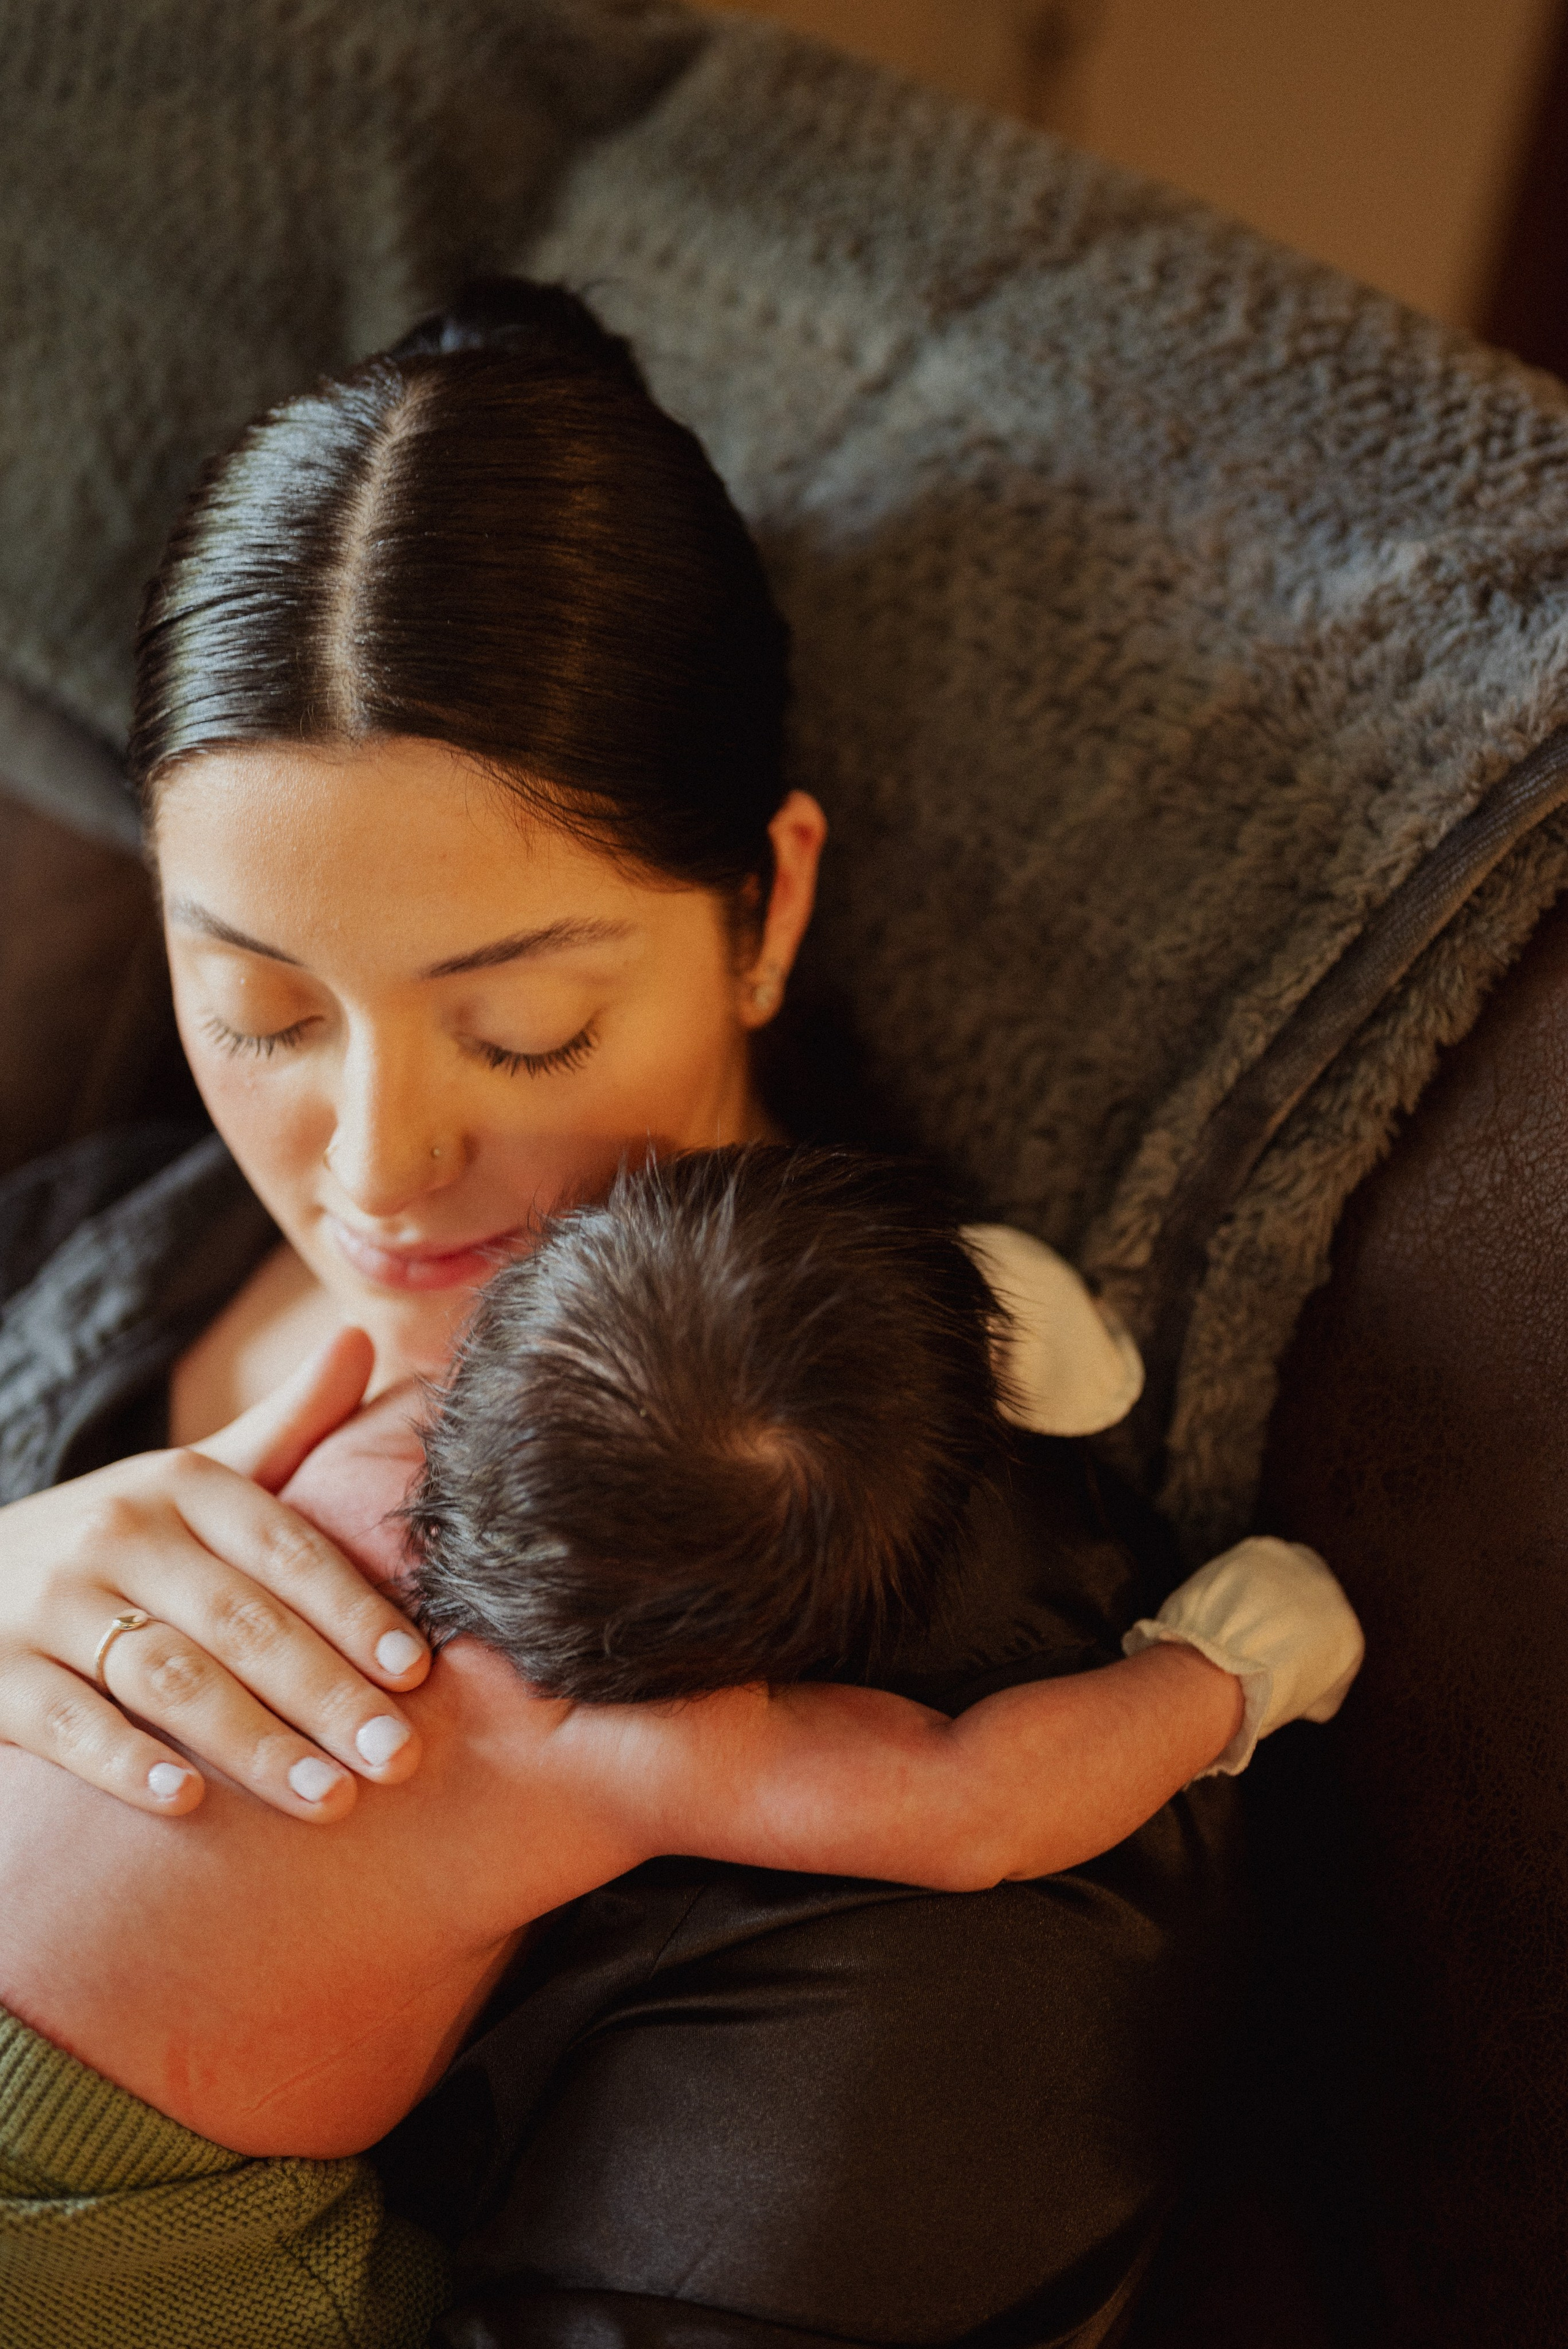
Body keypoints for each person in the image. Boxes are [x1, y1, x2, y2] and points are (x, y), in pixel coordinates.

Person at [0, 277, 1343, 2348]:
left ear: (769, 909)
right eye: (259, 1005)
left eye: (525, 1029)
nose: (369, 1169)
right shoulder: (125, 1238)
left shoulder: (890, 1698)